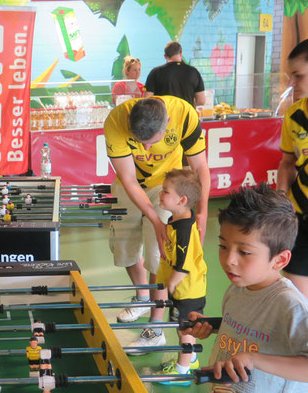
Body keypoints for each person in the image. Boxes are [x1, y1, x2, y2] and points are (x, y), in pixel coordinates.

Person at [103, 97, 210, 349]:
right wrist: (153, 218)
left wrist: (202, 212)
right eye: (140, 143)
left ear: (167, 123)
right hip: (128, 186)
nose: (147, 150)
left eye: (151, 142)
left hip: (167, 188)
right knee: (124, 251)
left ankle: (156, 327)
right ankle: (142, 297)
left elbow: (201, 167)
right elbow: (128, 179)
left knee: (159, 256)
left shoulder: (184, 114)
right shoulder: (115, 121)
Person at [183, 184, 308, 391]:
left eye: (244, 252)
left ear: (280, 260)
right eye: (223, 246)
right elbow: (256, 329)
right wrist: (214, 326)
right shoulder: (237, 288)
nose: (229, 260)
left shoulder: (290, 305)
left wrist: (253, 359)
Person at [150, 169, 206, 385]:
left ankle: (181, 373)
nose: (160, 195)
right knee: (182, 327)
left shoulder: (184, 229)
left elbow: (183, 265)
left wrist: (170, 284)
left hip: (188, 290)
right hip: (184, 290)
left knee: (186, 330)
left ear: (182, 200)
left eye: (165, 191)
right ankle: (190, 359)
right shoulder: (177, 217)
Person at [277, 38, 308, 298]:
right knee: (297, 299)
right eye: (291, 76)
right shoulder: (293, 116)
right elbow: (287, 164)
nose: (292, 83)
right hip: (301, 217)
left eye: (298, 76)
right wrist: (280, 199)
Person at [144, 41, 206, 107]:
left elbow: (147, 99)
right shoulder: (193, 72)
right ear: (181, 53)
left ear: (165, 56)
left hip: (165, 116)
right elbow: (201, 101)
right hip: (186, 115)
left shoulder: (155, 72)